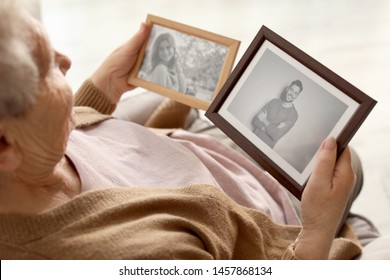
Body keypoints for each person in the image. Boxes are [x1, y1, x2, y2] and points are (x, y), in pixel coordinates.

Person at [0, 0, 367, 260]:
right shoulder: (139, 257)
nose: (67, 61)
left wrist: (101, 91)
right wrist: (318, 230)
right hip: (267, 208)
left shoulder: (28, 156)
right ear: (4, 146)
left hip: (195, 148)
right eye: (47, 66)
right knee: (351, 163)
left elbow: (62, 140)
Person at [252, 80, 303, 148]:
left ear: (297, 96)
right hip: (252, 137)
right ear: (287, 89)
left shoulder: (293, 115)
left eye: (295, 93)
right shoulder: (274, 102)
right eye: (291, 89)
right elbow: (256, 120)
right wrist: (272, 129)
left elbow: (276, 135)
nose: (292, 93)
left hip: (264, 147)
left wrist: (264, 120)